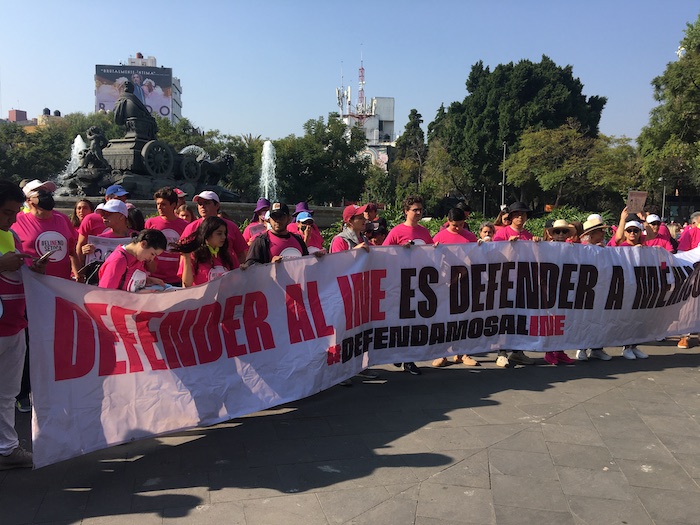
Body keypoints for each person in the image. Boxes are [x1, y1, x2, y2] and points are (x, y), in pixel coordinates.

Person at [0, 180, 49, 470]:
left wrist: (35, 268)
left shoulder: (12, 236)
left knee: (7, 393)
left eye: (15, 212)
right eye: (6, 213)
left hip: (15, 326)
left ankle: (7, 447)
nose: (12, 219)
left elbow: (19, 272)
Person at [382, 195, 435, 375]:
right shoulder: (396, 232)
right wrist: (400, 250)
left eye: (420, 209)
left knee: (415, 321)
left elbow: (431, 254)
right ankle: (400, 355)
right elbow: (384, 253)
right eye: (415, 210)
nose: (419, 213)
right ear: (406, 211)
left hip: (421, 283)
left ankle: (408, 358)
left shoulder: (424, 232)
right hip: (401, 282)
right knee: (401, 321)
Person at [329, 204, 379, 385]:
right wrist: (354, 253)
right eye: (360, 216)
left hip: (361, 292)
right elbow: (336, 266)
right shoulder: (339, 240)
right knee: (342, 333)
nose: (365, 218)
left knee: (359, 331)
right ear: (350, 221)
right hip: (345, 295)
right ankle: (339, 372)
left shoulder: (362, 238)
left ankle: (360, 367)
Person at [492, 201, 538, 366]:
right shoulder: (502, 233)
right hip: (505, 281)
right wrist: (507, 245)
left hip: (522, 281)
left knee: (520, 317)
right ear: (510, 217)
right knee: (504, 316)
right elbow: (493, 254)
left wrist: (538, 245)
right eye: (517, 214)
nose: (520, 217)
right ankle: (501, 352)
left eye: (523, 214)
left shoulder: (528, 235)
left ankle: (517, 351)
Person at [431, 207, 479, 368]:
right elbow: (430, 258)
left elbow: (479, 258)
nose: (458, 228)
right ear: (448, 222)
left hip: (465, 281)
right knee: (445, 319)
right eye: (454, 225)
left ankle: (463, 353)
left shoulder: (470, 237)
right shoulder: (439, 237)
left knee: (464, 318)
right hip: (445, 282)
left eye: (461, 225)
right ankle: (443, 354)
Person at [610, 209, 648, 359]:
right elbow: (617, 238)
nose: (632, 233)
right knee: (626, 318)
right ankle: (625, 347)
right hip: (624, 288)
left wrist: (644, 220)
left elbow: (651, 235)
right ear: (625, 232)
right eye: (629, 230)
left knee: (638, 318)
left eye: (635, 231)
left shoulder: (644, 245)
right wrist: (622, 219)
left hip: (640, 287)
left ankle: (633, 346)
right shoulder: (621, 247)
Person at [577, 215, 613, 361]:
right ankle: (581, 348)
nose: (604, 234)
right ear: (592, 234)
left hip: (601, 288)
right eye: (601, 231)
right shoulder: (579, 249)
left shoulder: (606, 248)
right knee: (584, 319)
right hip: (585, 289)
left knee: (600, 319)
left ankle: (597, 348)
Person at [180, 191, 248, 269]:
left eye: (206, 203)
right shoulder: (191, 228)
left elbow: (241, 254)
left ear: (217, 205)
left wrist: (236, 273)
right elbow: (183, 255)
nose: (202, 206)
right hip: (200, 277)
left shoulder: (231, 226)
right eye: (200, 203)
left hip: (226, 277)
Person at [543, 220, 576, 365]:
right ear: (552, 235)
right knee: (551, 320)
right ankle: (549, 352)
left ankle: (560, 351)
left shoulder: (573, 248)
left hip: (566, 288)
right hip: (550, 289)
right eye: (557, 232)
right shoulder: (546, 248)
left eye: (564, 232)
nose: (561, 235)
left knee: (565, 319)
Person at [76, 184, 130, 271]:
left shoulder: (128, 217)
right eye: (118, 198)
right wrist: (79, 270)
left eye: (124, 199)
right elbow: (80, 246)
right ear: (107, 198)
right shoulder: (90, 219)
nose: (122, 201)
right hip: (97, 269)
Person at [144, 187, 189, 287]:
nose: (159, 207)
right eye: (158, 204)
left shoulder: (185, 226)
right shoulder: (150, 223)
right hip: (154, 277)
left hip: (176, 278)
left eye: (163, 204)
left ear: (173, 205)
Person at [173, 216, 235, 287]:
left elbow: (237, 280)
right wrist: (187, 258)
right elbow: (187, 284)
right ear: (207, 234)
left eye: (225, 233)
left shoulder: (229, 255)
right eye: (219, 233)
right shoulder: (193, 256)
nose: (224, 237)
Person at [97, 229, 167, 292]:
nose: (151, 259)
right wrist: (137, 295)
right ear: (143, 244)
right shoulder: (118, 260)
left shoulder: (138, 257)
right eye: (152, 254)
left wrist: (147, 280)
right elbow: (105, 294)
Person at [244, 202, 309, 266]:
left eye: (281, 216)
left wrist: (316, 258)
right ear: (269, 220)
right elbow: (251, 268)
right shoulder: (261, 241)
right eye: (274, 216)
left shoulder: (298, 240)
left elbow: (307, 264)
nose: (277, 220)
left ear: (289, 219)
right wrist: (270, 266)